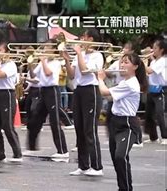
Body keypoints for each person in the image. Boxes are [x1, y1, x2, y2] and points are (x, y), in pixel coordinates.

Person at [98, 53, 147, 191]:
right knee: (116, 159)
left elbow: (104, 92)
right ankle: (123, 187)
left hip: (127, 124)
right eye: (122, 62)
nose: (122, 65)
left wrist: (100, 78)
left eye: (126, 62)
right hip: (115, 121)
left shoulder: (131, 83)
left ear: (135, 66)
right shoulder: (124, 82)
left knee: (120, 156)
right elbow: (110, 98)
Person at [62, 29, 104, 176]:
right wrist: (67, 59)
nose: (81, 39)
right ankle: (83, 165)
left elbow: (85, 71)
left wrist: (79, 54)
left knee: (89, 130)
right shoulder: (80, 55)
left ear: (91, 39)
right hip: (79, 90)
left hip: (91, 91)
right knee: (79, 128)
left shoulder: (98, 56)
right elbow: (72, 75)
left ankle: (97, 166)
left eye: (84, 36)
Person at [25, 40, 69, 158]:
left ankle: (62, 151)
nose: (44, 49)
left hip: (52, 91)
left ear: (53, 49)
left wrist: (43, 61)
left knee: (54, 121)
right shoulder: (42, 62)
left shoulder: (56, 62)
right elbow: (34, 76)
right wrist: (30, 64)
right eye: (44, 46)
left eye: (47, 47)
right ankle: (32, 147)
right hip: (43, 91)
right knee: (35, 119)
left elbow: (48, 73)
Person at [144, 39, 167, 145]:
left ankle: (165, 136)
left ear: (161, 50)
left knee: (159, 114)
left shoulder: (163, 61)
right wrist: (148, 58)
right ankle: (153, 137)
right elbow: (148, 73)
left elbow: (149, 70)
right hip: (151, 89)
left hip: (160, 89)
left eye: (155, 48)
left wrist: (141, 62)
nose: (153, 50)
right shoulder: (153, 61)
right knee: (149, 114)